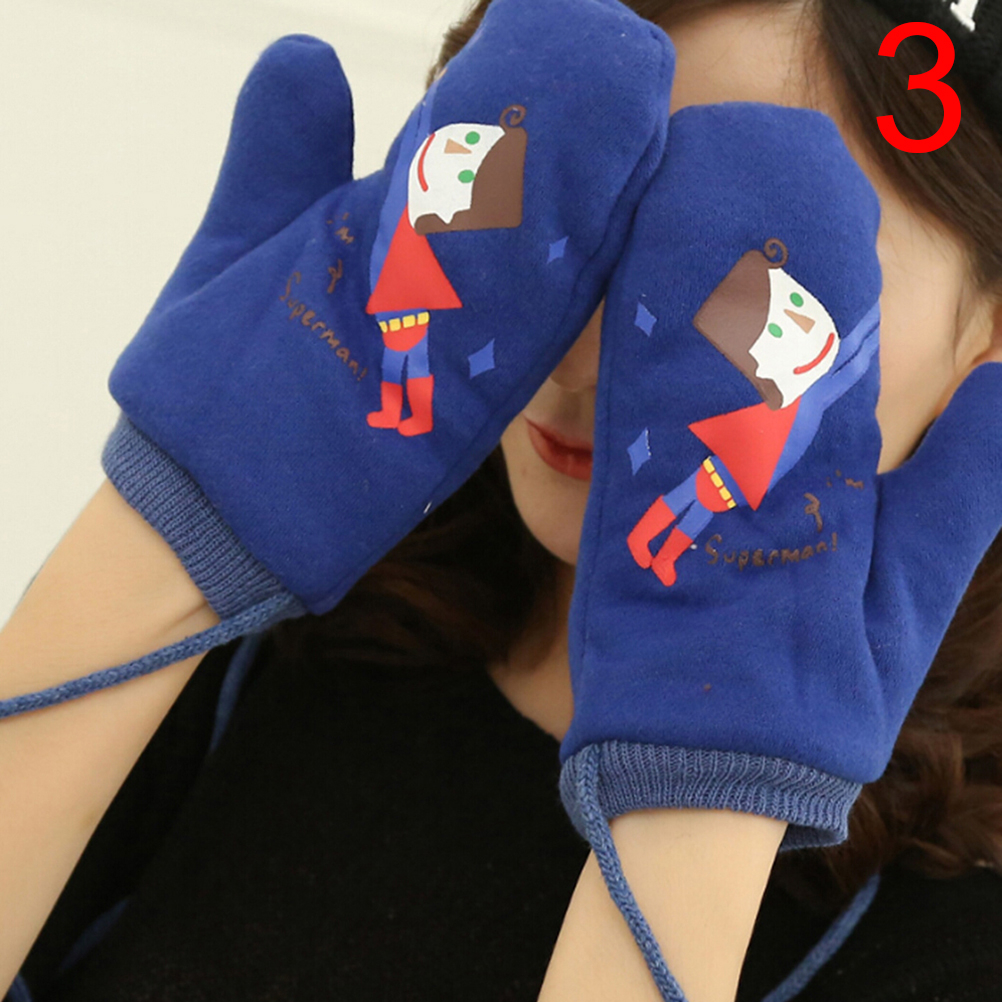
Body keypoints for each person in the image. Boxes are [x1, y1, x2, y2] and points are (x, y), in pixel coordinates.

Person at [2, 1, 1001, 1000]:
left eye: (735, 262)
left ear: (989, 333)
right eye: (571, 208)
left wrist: (710, 792)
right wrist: (172, 536)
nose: (574, 359)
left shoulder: (955, 954)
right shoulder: (290, 629)